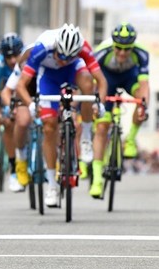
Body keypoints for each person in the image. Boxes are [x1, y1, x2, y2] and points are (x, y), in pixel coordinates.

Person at [15, 23, 107, 208]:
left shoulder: (83, 48)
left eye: (69, 56)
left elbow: (101, 80)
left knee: (88, 84)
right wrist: (32, 104)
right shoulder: (42, 48)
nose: (63, 60)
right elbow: (21, 85)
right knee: (49, 126)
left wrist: (101, 103)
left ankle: (86, 138)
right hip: (48, 76)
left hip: (74, 71)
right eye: (60, 55)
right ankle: (51, 185)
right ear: (55, 47)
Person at [89, 22, 149, 198]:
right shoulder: (102, 51)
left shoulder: (142, 53)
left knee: (142, 100)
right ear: (113, 44)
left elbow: (144, 84)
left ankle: (130, 139)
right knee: (101, 128)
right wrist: (96, 105)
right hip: (106, 80)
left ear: (133, 46)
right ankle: (97, 179)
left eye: (127, 49)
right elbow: (94, 83)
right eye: (119, 48)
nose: (122, 52)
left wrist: (143, 105)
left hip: (129, 78)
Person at [0, 33, 25, 192]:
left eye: (16, 55)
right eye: (9, 57)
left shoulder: (27, 61)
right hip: (6, 97)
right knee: (7, 123)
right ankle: (14, 169)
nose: (13, 60)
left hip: (25, 93)